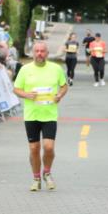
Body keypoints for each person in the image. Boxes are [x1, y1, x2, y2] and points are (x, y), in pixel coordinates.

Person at [12, 40, 68, 192]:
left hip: (49, 114)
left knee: (48, 147)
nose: (39, 54)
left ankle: (47, 173)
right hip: (31, 115)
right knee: (34, 148)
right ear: (33, 53)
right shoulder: (25, 69)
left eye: (42, 51)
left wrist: (59, 95)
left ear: (47, 53)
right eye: (37, 51)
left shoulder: (56, 69)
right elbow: (16, 89)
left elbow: (64, 86)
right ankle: (36, 178)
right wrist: (26, 95)